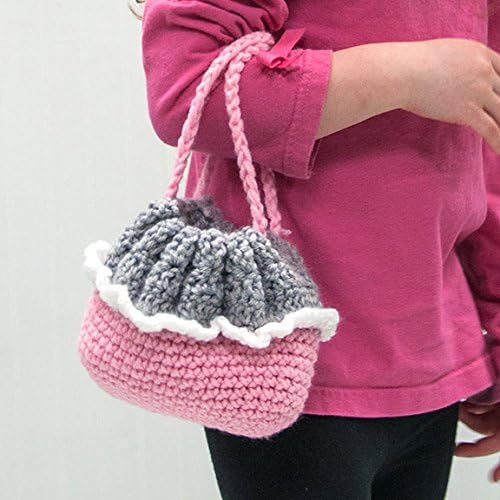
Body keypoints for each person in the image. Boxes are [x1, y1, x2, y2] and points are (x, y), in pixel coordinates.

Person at [135, 1, 500, 498]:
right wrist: (402, 75)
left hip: (433, 361)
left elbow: (486, 139)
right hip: (285, 362)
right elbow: (186, 90)